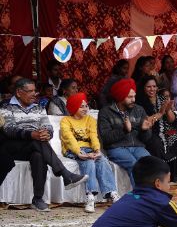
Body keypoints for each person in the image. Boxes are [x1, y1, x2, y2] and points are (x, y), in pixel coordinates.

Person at [0, 78, 87, 211]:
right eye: (30, 91)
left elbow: (47, 126)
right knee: (37, 141)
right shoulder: (6, 106)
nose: (35, 94)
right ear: (18, 92)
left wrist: (47, 133)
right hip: (12, 147)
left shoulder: (38, 107)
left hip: (34, 145)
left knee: (38, 155)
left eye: (35, 90)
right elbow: (9, 130)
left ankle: (38, 199)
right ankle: (65, 174)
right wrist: (32, 134)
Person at [60, 92, 118, 212]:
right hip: (72, 149)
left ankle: (112, 193)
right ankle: (90, 196)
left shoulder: (90, 119)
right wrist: (79, 152)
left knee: (102, 160)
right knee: (89, 163)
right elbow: (68, 138)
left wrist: (97, 150)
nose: (85, 109)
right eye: (81, 106)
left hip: (90, 149)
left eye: (86, 106)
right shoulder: (66, 120)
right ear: (74, 106)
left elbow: (93, 136)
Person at [99, 78, 157, 183]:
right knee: (134, 165)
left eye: (134, 96)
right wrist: (124, 130)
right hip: (117, 148)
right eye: (130, 97)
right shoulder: (105, 112)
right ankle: (138, 197)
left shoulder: (139, 110)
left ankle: (150, 195)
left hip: (137, 146)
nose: (134, 99)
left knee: (150, 163)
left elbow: (146, 139)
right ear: (120, 97)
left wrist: (145, 130)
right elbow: (106, 138)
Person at [137, 76, 177, 187]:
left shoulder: (162, 99)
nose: (152, 89)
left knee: (176, 142)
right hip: (150, 133)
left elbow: (172, 120)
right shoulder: (140, 103)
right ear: (143, 88)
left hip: (166, 132)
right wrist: (160, 113)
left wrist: (167, 110)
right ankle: (164, 179)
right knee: (157, 145)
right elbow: (146, 121)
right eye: (148, 87)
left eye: (154, 86)